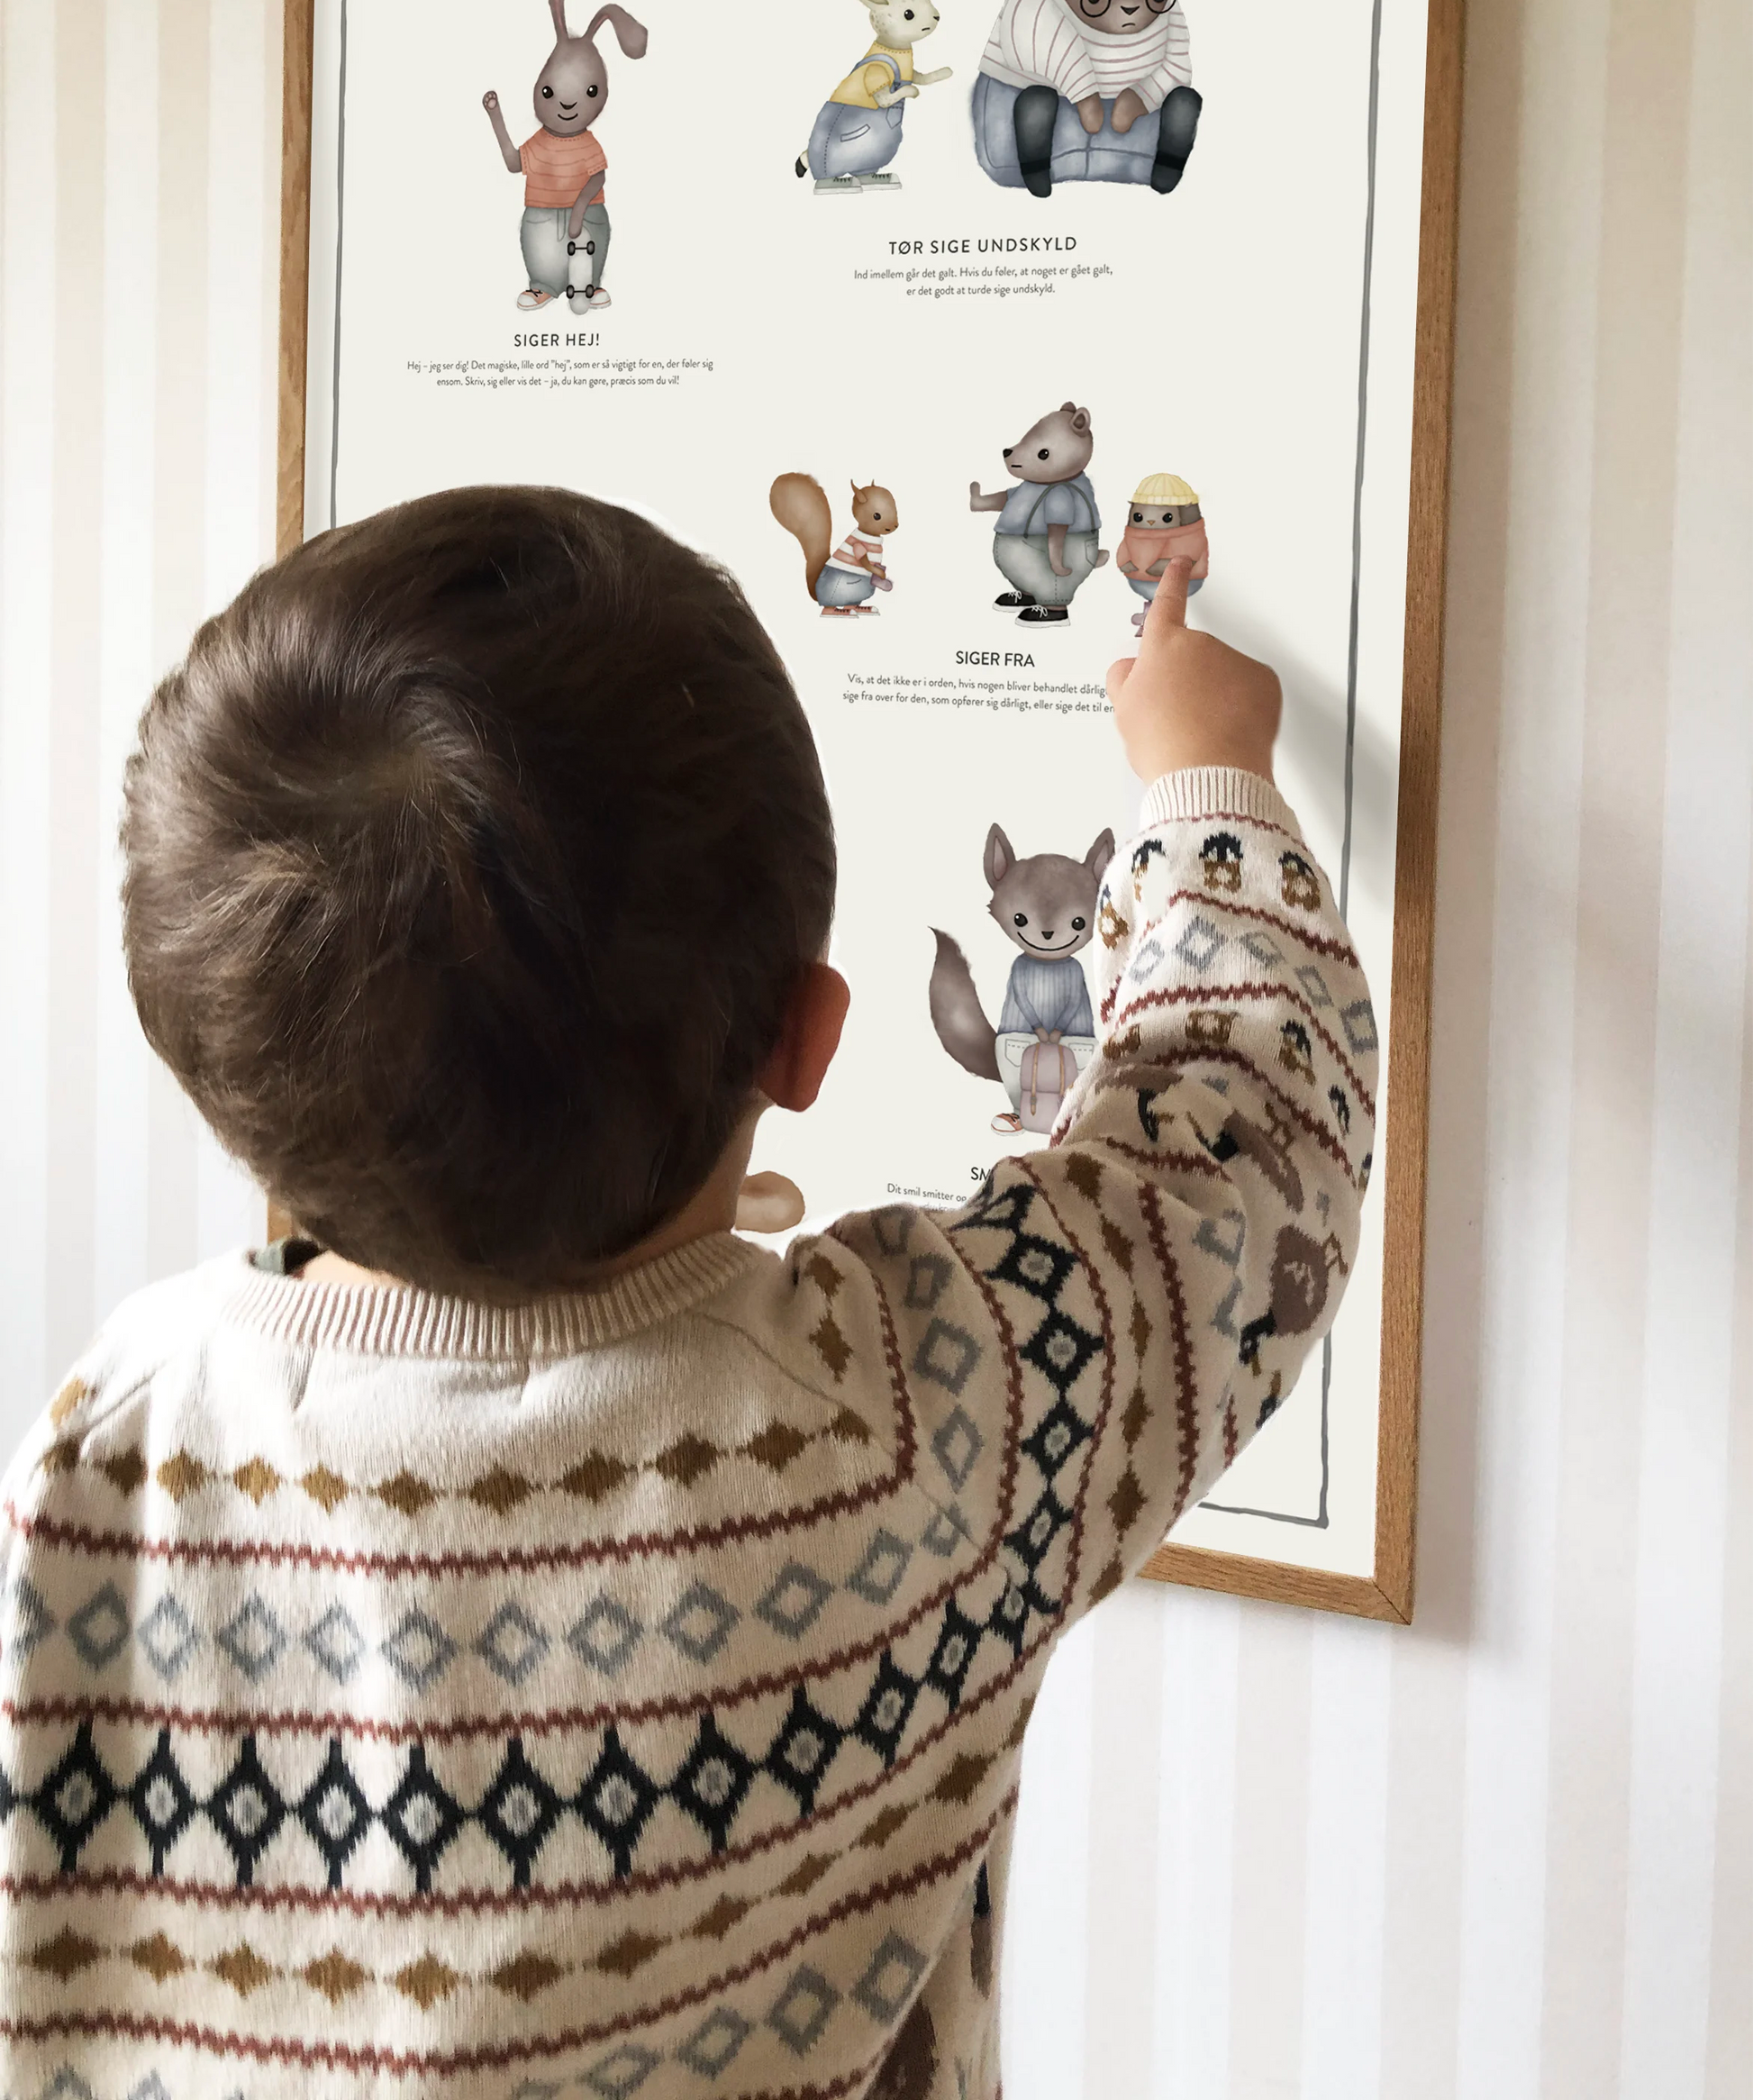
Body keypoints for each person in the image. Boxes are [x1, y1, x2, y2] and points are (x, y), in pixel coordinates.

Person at [0, 489, 1376, 2099]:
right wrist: (1204, 774)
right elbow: (1243, 1134)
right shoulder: (920, 1427)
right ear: (808, 1039)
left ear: (223, 1079)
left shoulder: (111, 1440)